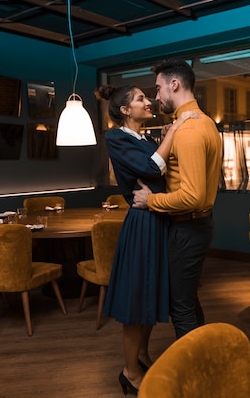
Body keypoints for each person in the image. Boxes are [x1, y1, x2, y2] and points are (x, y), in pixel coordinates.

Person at [97, 84, 193, 395]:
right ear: (125, 110)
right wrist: (176, 127)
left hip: (157, 218)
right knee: (137, 299)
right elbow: (152, 167)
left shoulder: (145, 139)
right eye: (141, 99)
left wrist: (164, 142)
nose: (148, 102)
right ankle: (129, 372)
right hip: (142, 225)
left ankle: (140, 356)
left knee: (150, 295)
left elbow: (158, 173)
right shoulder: (116, 137)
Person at [132, 58, 222, 340]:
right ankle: (203, 360)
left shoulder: (190, 130)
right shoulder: (204, 123)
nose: (156, 97)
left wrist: (151, 201)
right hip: (194, 227)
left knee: (180, 306)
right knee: (188, 301)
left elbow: (192, 197)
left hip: (188, 227)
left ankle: (194, 378)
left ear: (174, 84)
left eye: (158, 89)